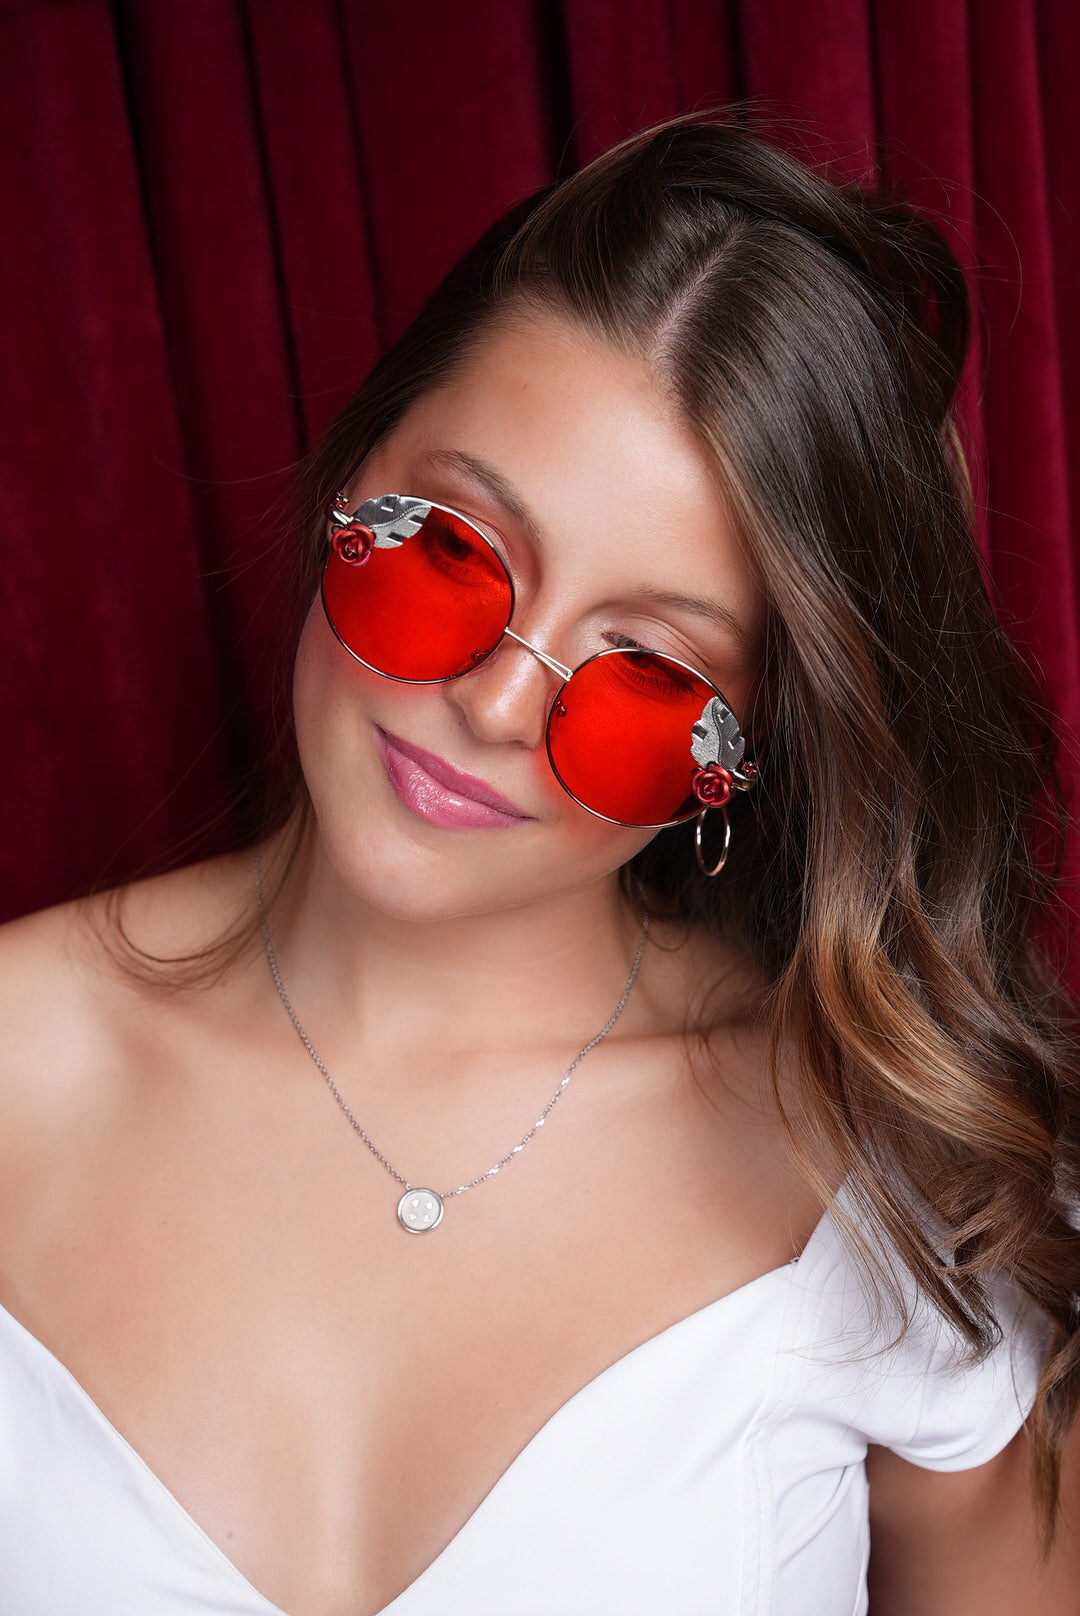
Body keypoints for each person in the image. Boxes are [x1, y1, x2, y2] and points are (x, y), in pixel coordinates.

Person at [0, 112, 1078, 1616]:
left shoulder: (891, 1181)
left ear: (745, 756)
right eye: (453, 551)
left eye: (647, 671)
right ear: (348, 479)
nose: (498, 706)